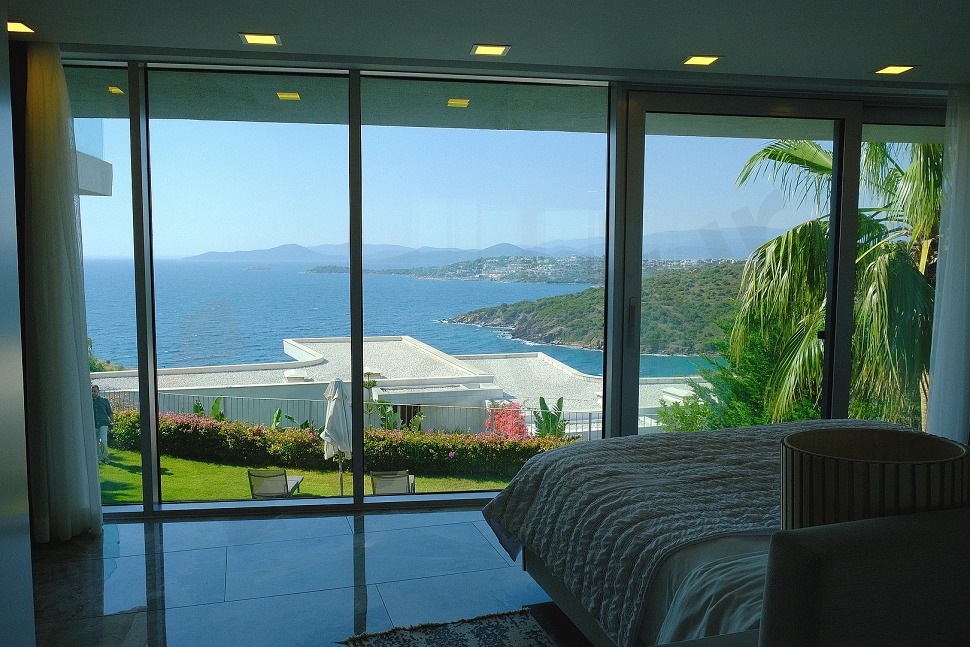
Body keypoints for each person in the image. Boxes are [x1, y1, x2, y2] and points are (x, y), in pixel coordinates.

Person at [91, 384, 113, 464]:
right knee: (96, 441)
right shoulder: (89, 402)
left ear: (98, 391)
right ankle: (99, 457)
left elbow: (109, 412)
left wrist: (112, 421)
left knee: (103, 440)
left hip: (103, 423)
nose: (93, 393)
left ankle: (105, 456)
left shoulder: (104, 400)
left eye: (94, 391)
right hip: (93, 424)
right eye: (92, 391)